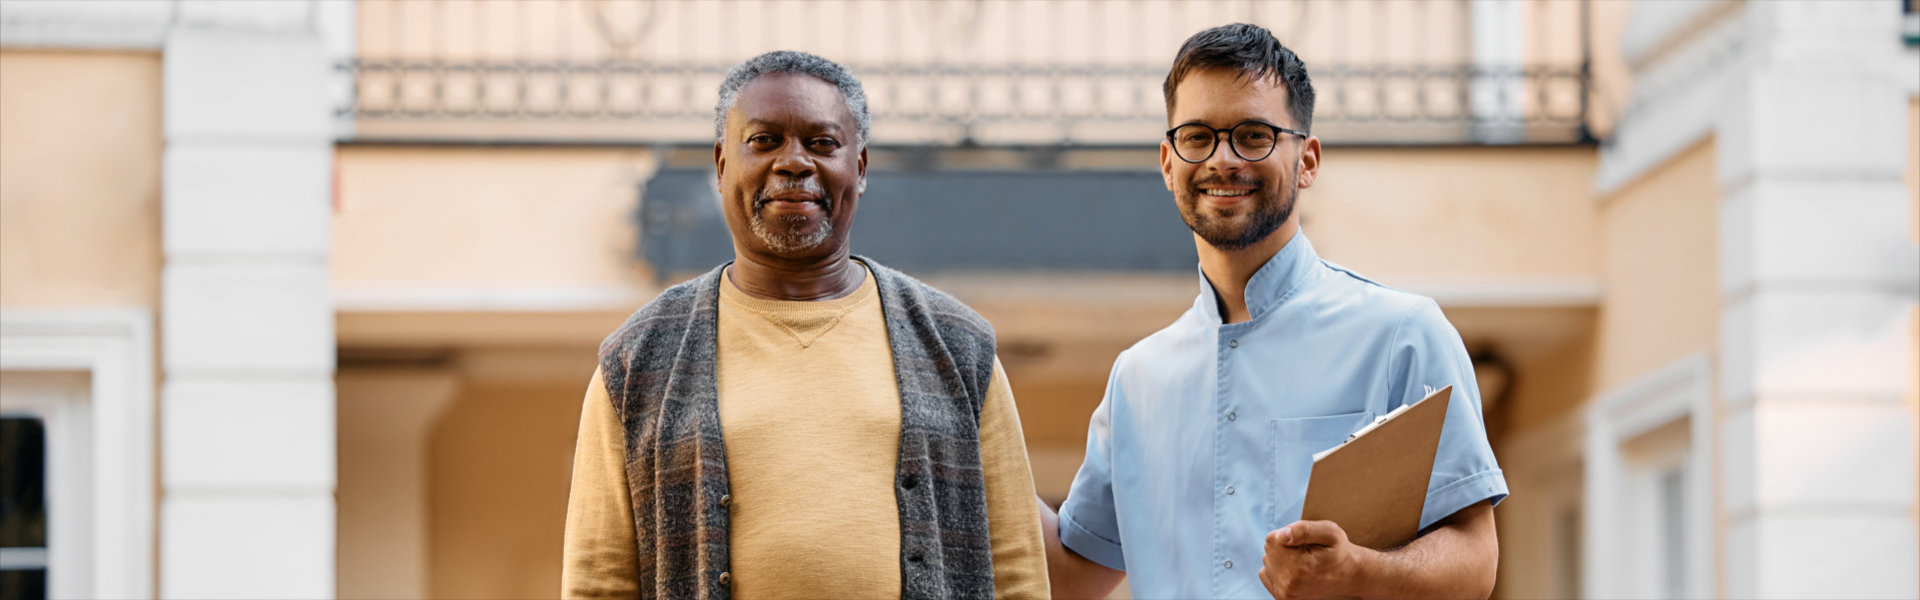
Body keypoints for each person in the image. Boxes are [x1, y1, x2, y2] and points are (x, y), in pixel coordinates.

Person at [1039, 23, 1506, 600]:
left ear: (1307, 160)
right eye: (1197, 136)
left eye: (1254, 135)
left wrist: (1359, 573)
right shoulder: (1136, 379)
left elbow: (1476, 561)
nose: (1223, 159)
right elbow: (1070, 575)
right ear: (1167, 162)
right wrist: (969, 425)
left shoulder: (1401, 335)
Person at [561, 50, 1048, 600]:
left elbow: (1017, 571)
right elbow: (598, 579)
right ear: (722, 166)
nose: (794, 162)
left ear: (859, 169)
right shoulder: (638, 361)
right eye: (765, 141)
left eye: (822, 143)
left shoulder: (958, 347)